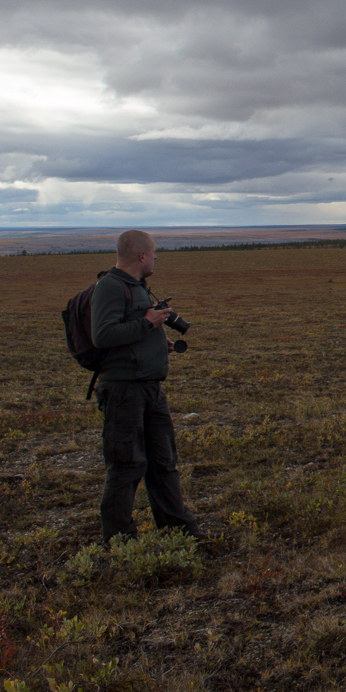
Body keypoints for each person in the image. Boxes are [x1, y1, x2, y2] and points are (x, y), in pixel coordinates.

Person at [90, 230, 202, 542]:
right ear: (141, 256)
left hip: (149, 389)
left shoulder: (136, 287)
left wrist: (155, 338)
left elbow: (130, 329)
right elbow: (102, 335)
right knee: (126, 465)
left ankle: (180, 530)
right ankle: (119, 540)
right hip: (123, 391)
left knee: (163, 462)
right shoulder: (110, 286)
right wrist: (147, 324)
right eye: (153, 254)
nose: (155, 259)